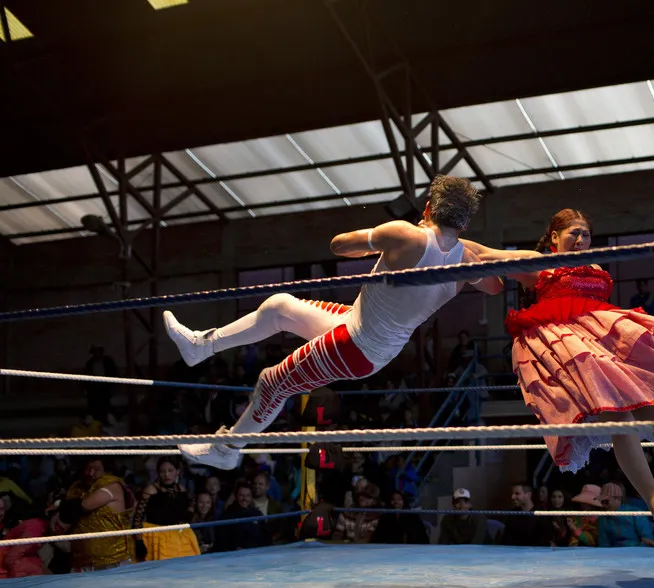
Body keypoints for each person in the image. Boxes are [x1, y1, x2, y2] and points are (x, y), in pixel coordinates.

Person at [162, 175, 504, 469]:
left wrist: (381, 243)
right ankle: (202, 345)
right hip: (360, 327)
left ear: (428, 208)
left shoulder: (404, 234)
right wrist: (465, 249)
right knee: (278, 307)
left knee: (272, 382)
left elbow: (338, 245)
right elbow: (495, 286)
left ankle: (226, 450)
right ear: (463, 224)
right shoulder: (467, 262)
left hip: (357, 345)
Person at [467, 209, 654, 531]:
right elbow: (484, 253)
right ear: (555, 237)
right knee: (619, 417)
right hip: (573, 351)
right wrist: (442, 236)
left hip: (607, 345)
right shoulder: (539, 263)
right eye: (573, 232)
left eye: (585, 234)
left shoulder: (596, 267)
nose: (581, 239)